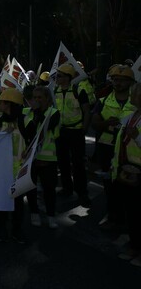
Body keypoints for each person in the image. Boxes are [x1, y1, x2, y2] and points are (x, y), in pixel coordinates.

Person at [92, 65, 136, 230]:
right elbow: (95, 123)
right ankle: (112, 216)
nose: (118, 83)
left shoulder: (137, 101)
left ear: (131, 83)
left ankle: (126, 219)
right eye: (115, 79)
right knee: (110, 185)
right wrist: (106, 123)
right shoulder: (103, 101)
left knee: (127, 186)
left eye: (123, 80)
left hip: (128, 151)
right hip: (107, 148)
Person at [54, 63, 92, 207]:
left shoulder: (79, 90)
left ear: (68, 78)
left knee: (78, 164)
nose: (57, 78)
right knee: (62, 162)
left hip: (76, 131)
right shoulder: (56, 90)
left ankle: (82, 193)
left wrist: (84, 128)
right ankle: (67, 188)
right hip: (61, 131)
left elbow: (87, 111)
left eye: (60, 76)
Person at [23, 85, 61, 229]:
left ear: (47, 99)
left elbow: (44, 127)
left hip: (48, 159)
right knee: (31, 187)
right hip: (32, 158)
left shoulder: (54, 113)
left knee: (49, 189)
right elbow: (28, 132)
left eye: (40, 97)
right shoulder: (28, 113)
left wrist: (37, 113)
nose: (37, 100)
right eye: (34, 98)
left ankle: (51, 216)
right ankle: (34, 213)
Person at [0, 88, 29, 243]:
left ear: (9, 104)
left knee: (18, 203)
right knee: (1, 201)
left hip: (19, 169)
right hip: (2, 169)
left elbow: (32, 141)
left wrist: (28, 152)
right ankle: (2, 229)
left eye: (1, 101)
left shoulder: (24, 120)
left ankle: (17, 229)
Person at [112, 83, 141, 267]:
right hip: (128, 170)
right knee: (132, 213)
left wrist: (137, 137)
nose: (130, 96)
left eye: (134, 93)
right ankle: (134, 246)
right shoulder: (132, 115)